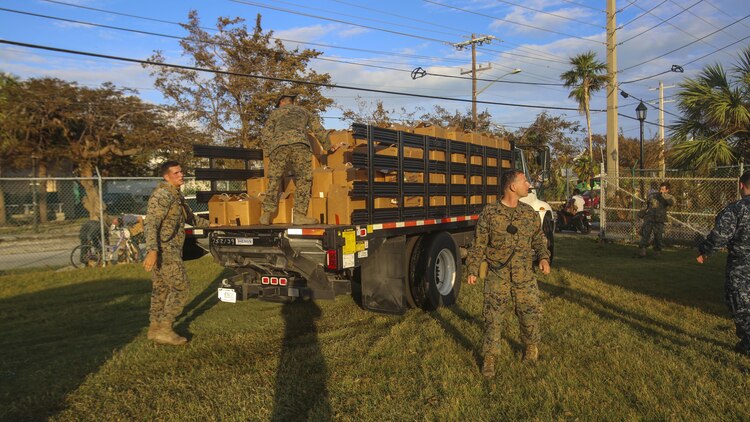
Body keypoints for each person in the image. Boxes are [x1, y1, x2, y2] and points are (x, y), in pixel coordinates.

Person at [466, 170, 551, 377]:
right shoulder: (490, 213)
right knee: (493, 318)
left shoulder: (529, 213)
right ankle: (490, 358)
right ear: (512, 186)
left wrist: (543, 257)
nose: (528, 184)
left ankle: (531, 347)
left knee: (529, 313)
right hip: (498, 274)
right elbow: (479, 243)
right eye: (524, 181)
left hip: (524, 275)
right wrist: (473, 268)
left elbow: (539, 239)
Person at [143, 160, 209, 346]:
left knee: (161, 289)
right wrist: (152, 251)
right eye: (177, 173)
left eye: (181, 172)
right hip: (165, 250)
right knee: (181, 288)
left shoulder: (175, 194)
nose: (182, 175)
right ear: (166, 177)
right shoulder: (163, 195)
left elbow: (190, 218)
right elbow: (151, 224)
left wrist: (212, 225)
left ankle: (154, 328)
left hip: (169, 249)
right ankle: (164, 329)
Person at [259, 92, 343, 225]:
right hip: (300, 145)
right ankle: (299, 216)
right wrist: (329, 147)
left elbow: (266, 133)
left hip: (279, 147)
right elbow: (318, 129)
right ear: (292, 101)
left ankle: (266, 214)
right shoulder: (304, 112)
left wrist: (270, 150)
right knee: (304, 179)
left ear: (281, 102)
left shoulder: (275, 114)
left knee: (274, 179)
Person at [696, 170, 750, 356]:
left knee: (739, 303)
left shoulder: (737, 209)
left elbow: (720, 236)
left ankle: (748, 341)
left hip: (742, 266)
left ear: (741, 185)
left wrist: (705, 250)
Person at [638, 181, 675, 257]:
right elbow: (646, 204)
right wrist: (642, 212)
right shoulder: (653, 195)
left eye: (663, 189)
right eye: (660, 189)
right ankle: (642, 250)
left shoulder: (670, 197)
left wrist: (663, 196)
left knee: (658, 236)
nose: (661, 190)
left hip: (659, 219)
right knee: (645, 234)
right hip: (649, 218)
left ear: (667, 190)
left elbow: (672, 203)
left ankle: (657, 251)